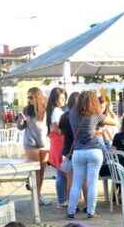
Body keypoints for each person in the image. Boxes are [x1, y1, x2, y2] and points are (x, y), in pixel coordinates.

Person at [67, 91, 117, 219]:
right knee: (92, 183)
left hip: (78, 151)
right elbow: (114, 122)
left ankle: (71, 211)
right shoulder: (96, 115)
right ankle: (91, 212)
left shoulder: (72, 113)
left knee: (76, 183)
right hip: (94, 151)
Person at [17, 88, 50, 205]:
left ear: (38, 97)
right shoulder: (26, 110)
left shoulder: (46, 110)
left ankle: (38, 195)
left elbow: (48, 126)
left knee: (42, 172)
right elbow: (20, 127)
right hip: (31, 144)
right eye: (28, 97)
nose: (29, 100)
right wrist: (20, 121)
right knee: (35, 172)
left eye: (31, 97)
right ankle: (35, 197)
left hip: (44, 143)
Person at [46, 88, 67, 208]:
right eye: (61, 98)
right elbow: (54, 128)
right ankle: (62, 199)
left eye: (64, 98)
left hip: (56, 143)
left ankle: (62, 199)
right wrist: (65, 132)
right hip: (59, 143)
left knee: (61, 172)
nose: (64, 100)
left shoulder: (54, 111)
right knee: (61, 172)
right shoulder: (56, 111)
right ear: (55, 99)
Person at [59, 92, 80, 201]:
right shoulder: (80, 116)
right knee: (81, 179)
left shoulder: (64, 116)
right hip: (78, 148)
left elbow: (61, 132)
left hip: (67, 149)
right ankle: (83, 203)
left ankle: (69, 202)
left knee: (70, 179)